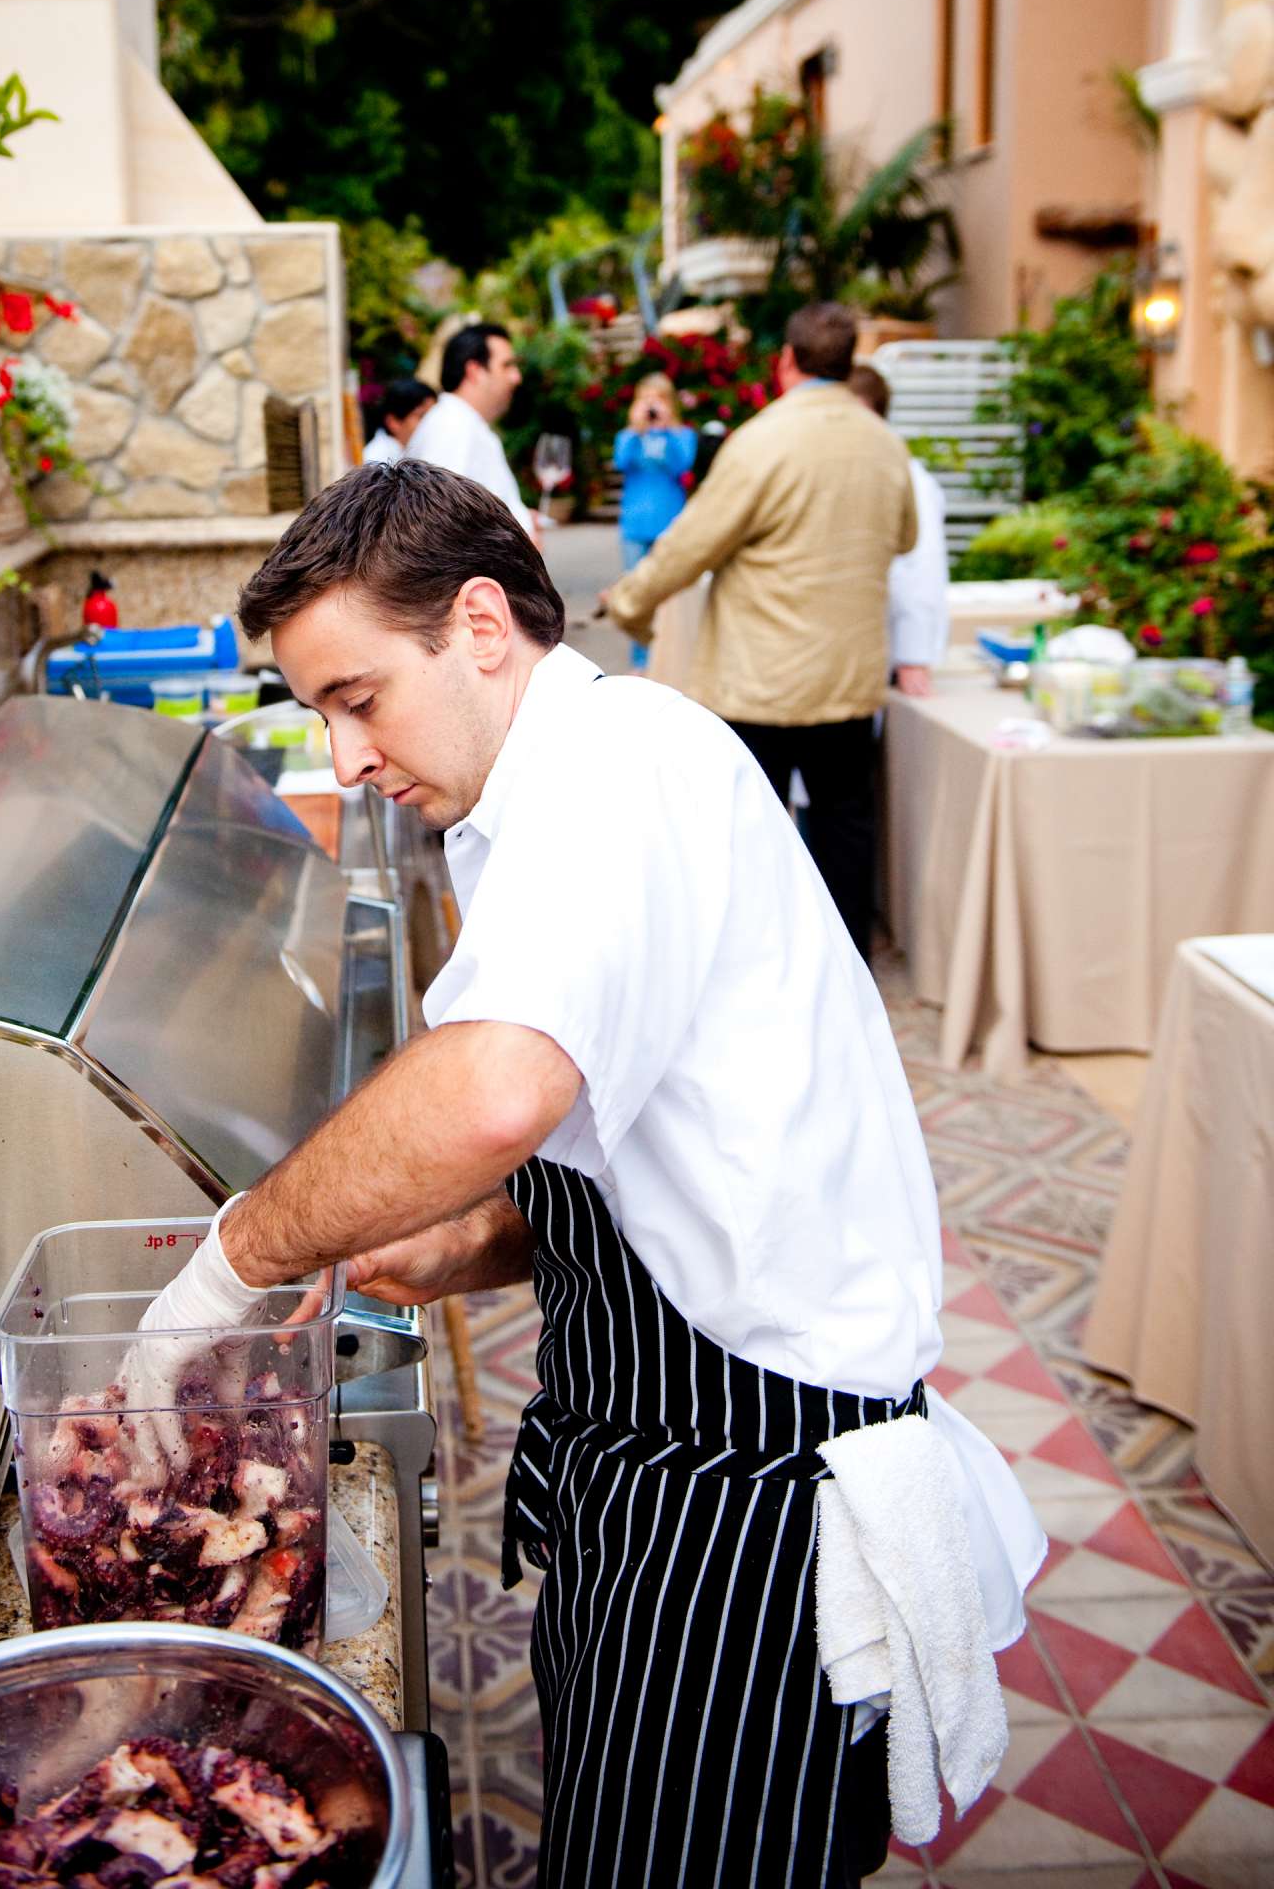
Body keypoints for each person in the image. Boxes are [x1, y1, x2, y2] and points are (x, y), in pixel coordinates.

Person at [137, 461, 1042, 1889]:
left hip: (744, 1492)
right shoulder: (548, 792)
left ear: (481, 625)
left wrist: (231, 1260)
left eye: (357, 698)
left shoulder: (623, 774)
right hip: (652, 1446)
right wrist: (460, 1250)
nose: (350, 757)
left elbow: (501, 1087)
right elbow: (640, 1147)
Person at [602, 302, 916, 961]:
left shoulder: (764, 439)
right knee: (844, 826)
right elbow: (907, 534)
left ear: (786, 363)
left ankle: (761, 964)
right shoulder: (884, 443)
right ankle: (846, 962)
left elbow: (691, 543)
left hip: (760, 678)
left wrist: (631, 603)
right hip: (849, 677)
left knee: (751, 832)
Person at [848, 363, 950, 693]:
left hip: (889, 662)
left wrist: (913, 657)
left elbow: (922, 568)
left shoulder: (906, 477)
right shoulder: (851, 470)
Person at [405, 321, 532, 532]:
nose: (516, 377)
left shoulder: (463, 423)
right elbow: (437, 526)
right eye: (507, 365)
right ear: (475, 371)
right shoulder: (451, 426)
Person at [612, 372, 697, 671]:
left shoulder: (682, 435)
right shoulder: (628, 437)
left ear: (670, 403)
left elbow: (683, 465)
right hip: (635, 526)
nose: (652, 405)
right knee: (638, 593)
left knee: (671, 595)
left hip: (669, 524)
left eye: (658, 399)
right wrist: (637, 430)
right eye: (645, 398)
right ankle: (642, 659)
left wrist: (666, 429)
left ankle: (671, 655)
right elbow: (621, 461)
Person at [361, 377, 435, 466]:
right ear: (393, 422)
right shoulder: (376, 462)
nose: (430, 422)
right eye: (421, 416)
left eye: (433, 416)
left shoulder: (409, 453)